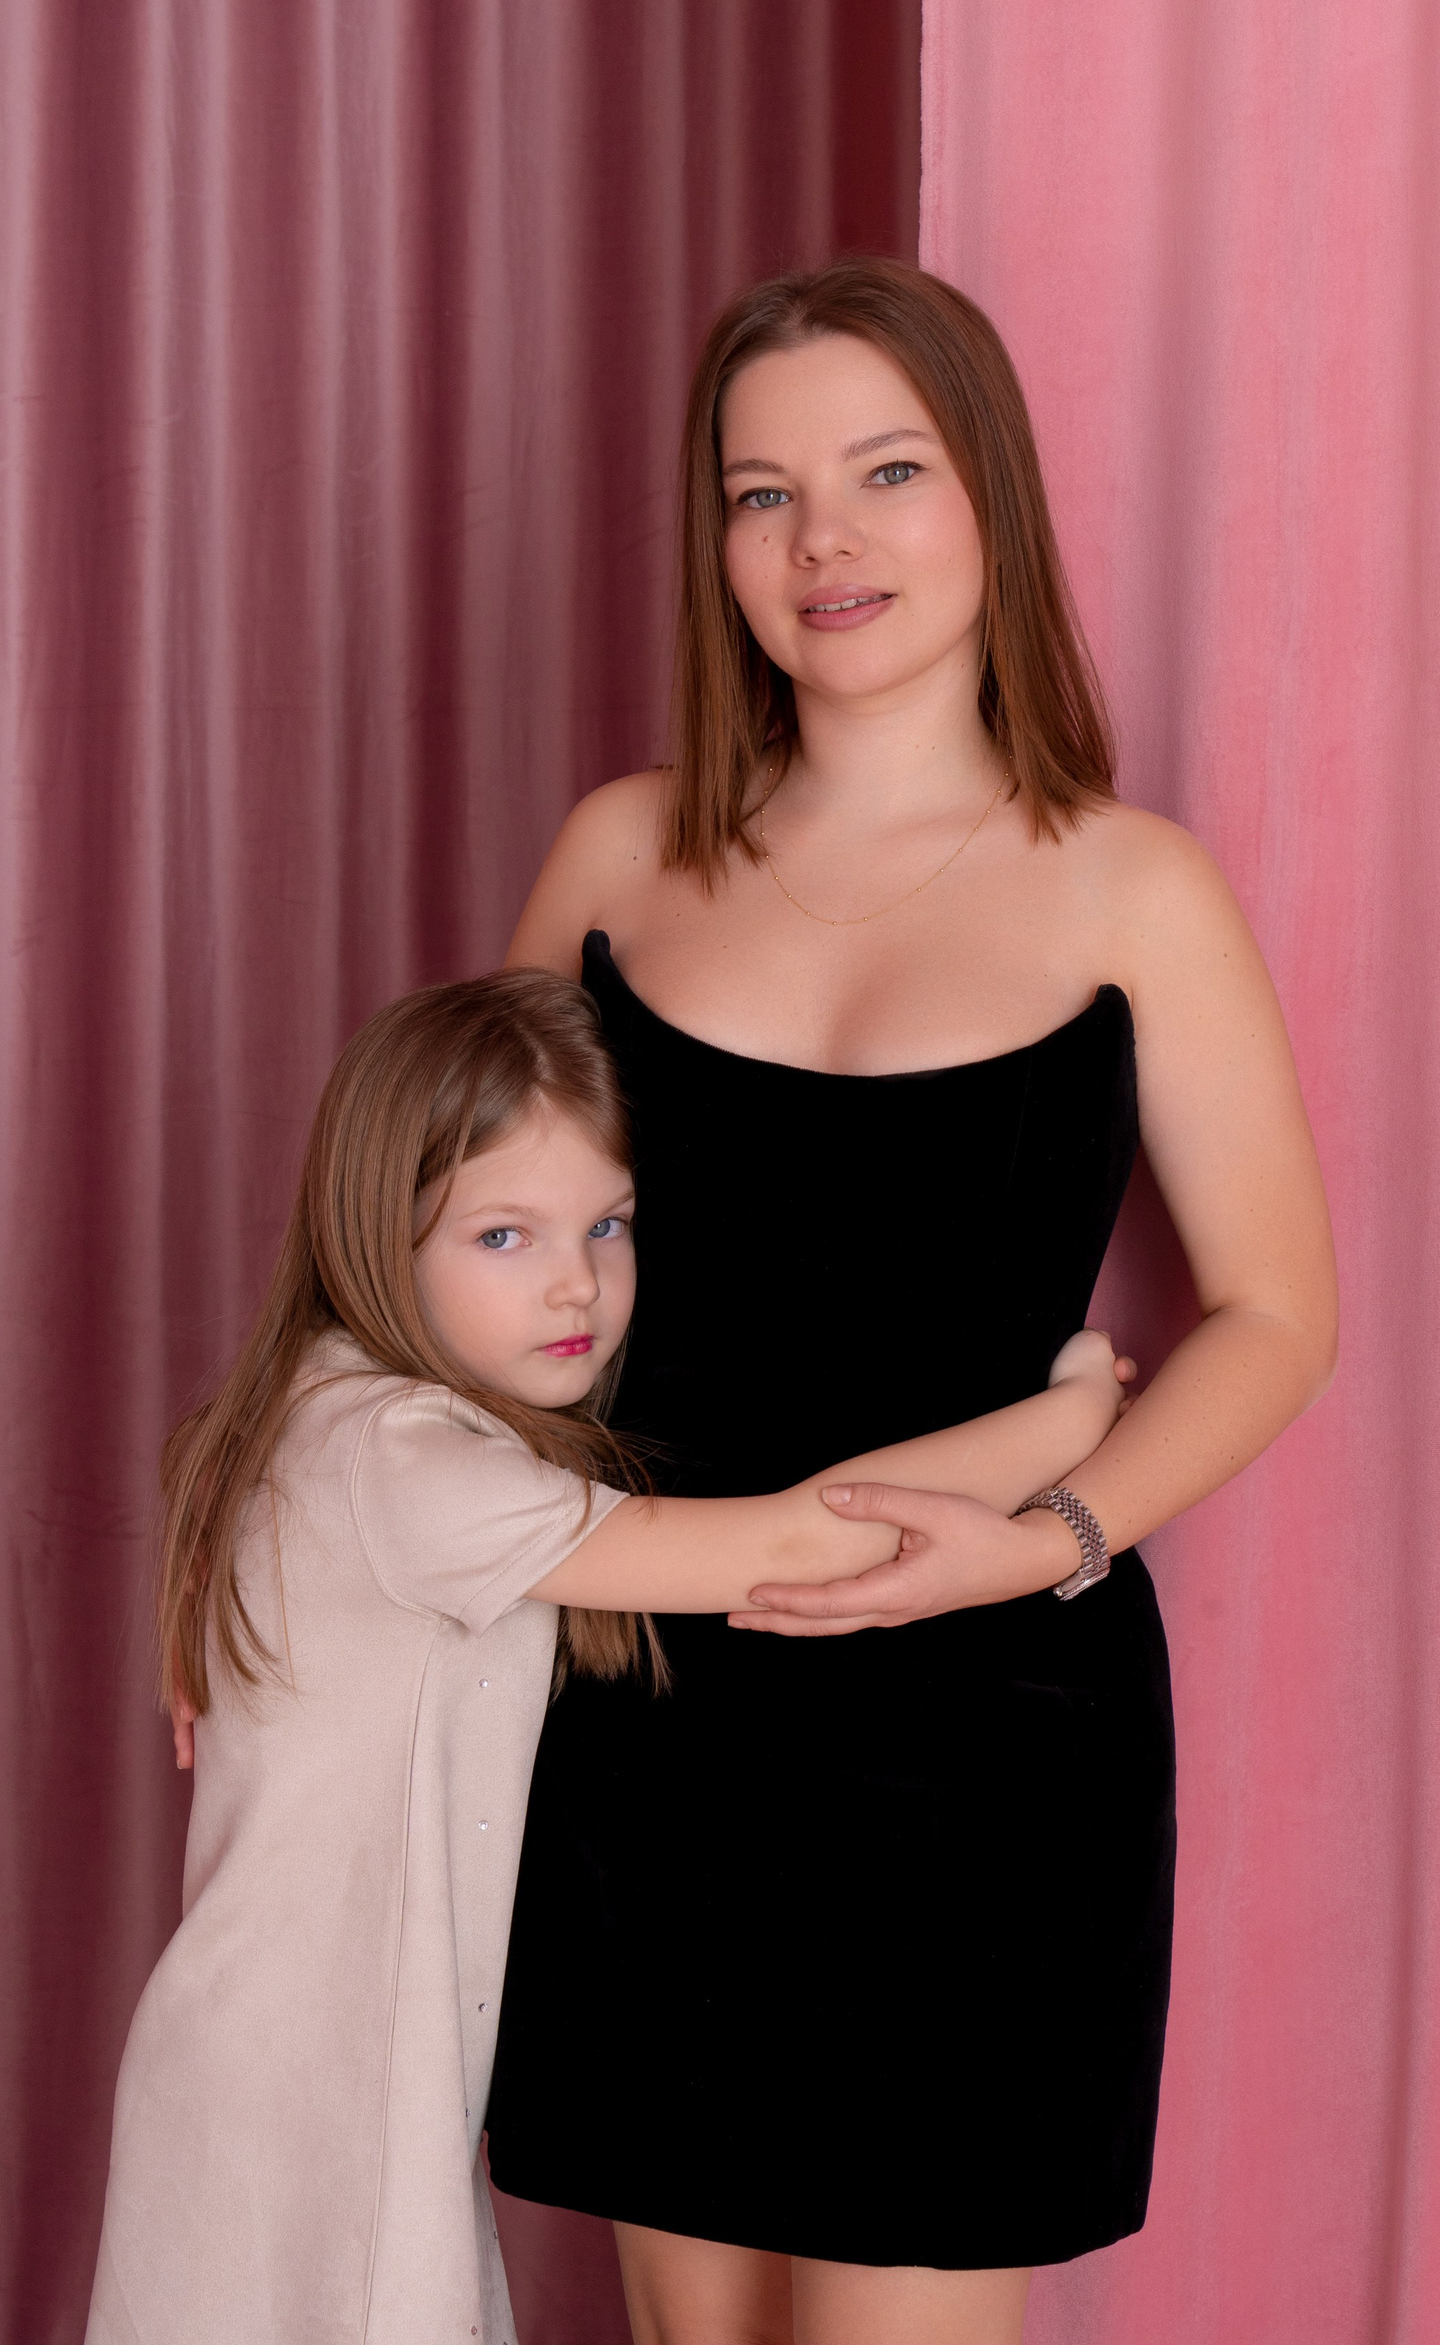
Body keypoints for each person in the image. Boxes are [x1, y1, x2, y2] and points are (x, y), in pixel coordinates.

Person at [483, 259, 1340, 2345]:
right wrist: (264, 1579)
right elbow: (449, 1265)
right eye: (760, 495)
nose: (822, 542)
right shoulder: (619, 855)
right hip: (641, 1707)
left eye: (886, 472)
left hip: (992, 1743)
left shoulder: (1133, 886)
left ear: (991, 502)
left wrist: (1053, 1532)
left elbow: (1274, 1312)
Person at [86, 970, 1125, 2345]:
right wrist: (1071, 1421)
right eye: (504, 1235)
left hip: (292, 2064)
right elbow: (797, 1542)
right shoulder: (412, 1466)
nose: (576, 1282)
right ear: (374, 1234)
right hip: (321, 2101)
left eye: (610, 1224)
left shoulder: (331, 1408)